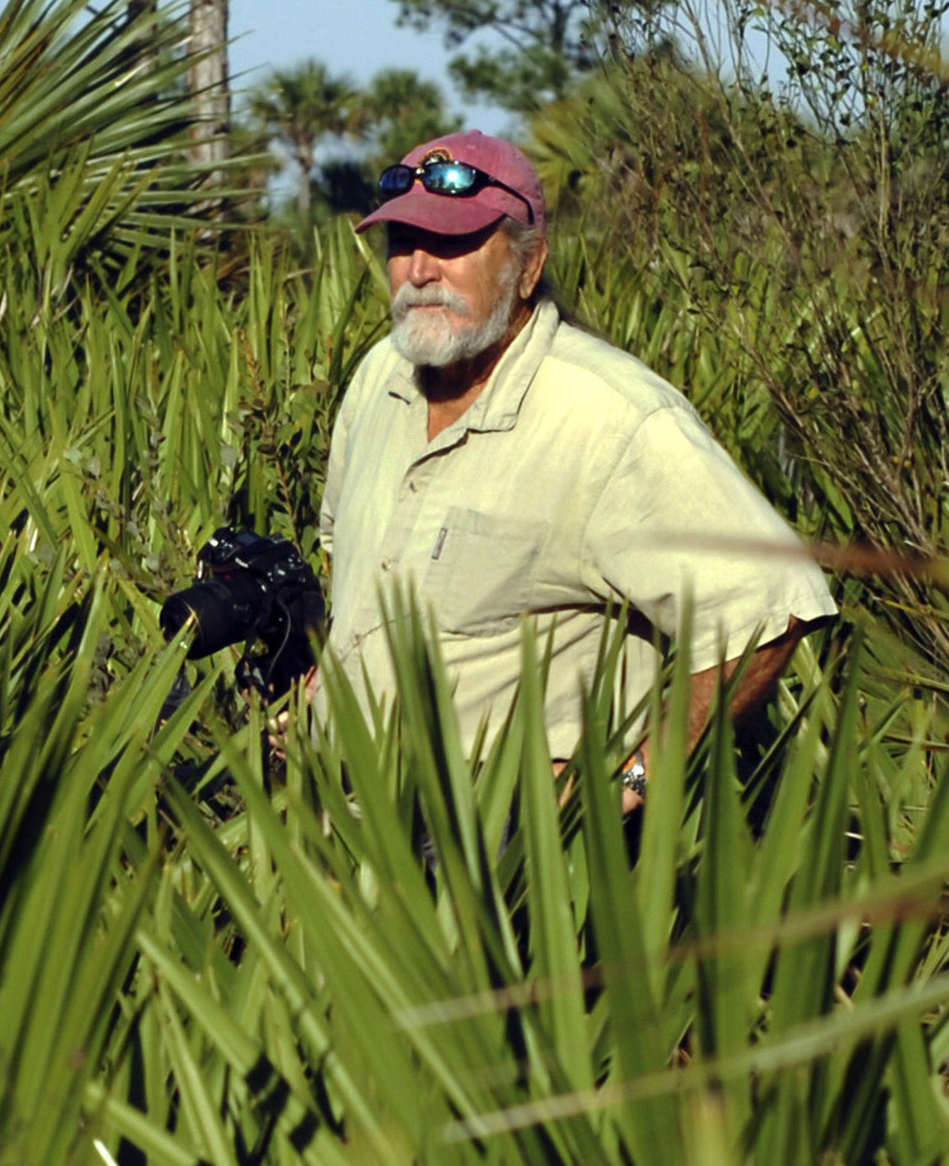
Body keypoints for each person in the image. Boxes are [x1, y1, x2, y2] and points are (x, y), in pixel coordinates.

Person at [317, 129, 835, 804]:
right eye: (402, 244)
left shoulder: (609, 418)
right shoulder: (380, 379)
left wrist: (627, 784)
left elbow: (771, 605)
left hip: (507, 861)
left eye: (452, 244)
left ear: (529, 266)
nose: (419, 271)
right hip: (338, 835)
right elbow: (346, 563)